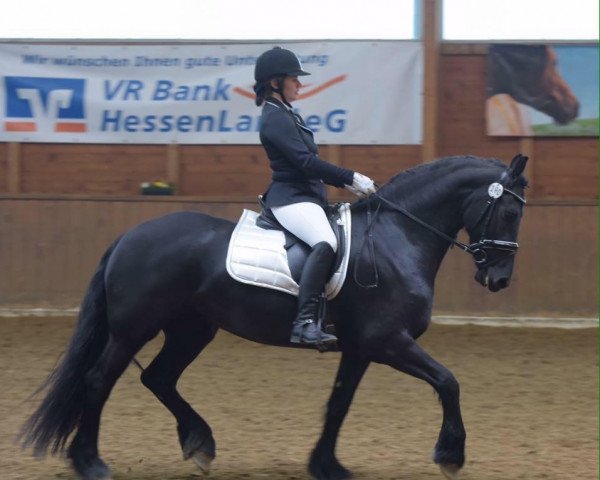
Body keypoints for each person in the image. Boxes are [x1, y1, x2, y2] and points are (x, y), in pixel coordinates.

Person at [253, 46, 376, 346]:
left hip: (306, 196)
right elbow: (305, 163)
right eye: (293, 79)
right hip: (290, 198)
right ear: (274, 83)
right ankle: (305, 322)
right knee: (326, 242)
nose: (299, 84)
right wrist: (349, 178)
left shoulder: (287, 114)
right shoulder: (274, 117)